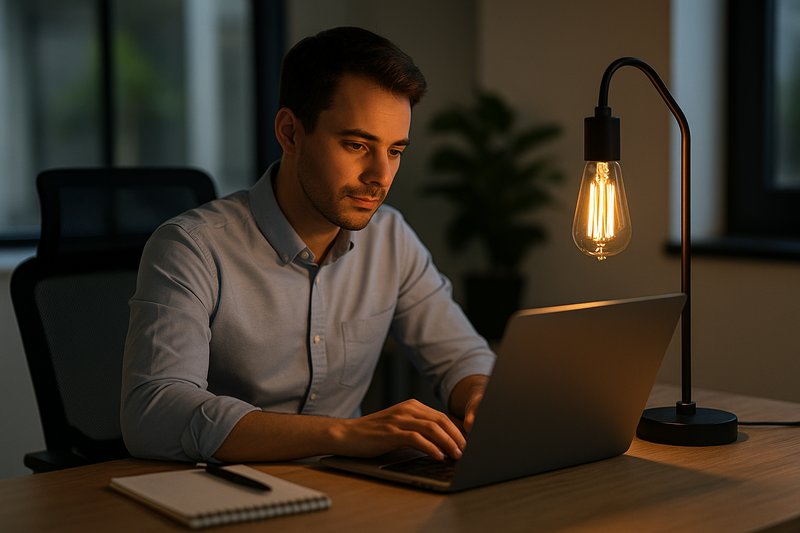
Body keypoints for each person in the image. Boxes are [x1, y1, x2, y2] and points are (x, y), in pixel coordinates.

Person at [121, 26, 495, 464]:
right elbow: (152, 412)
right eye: (357, 144)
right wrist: (342, 435)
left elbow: (462, 355)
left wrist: (477, 396)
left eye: (395, 150)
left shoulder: (390, 238)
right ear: (291, 133)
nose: (381, 175)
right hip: (225, 492)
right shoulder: (191, 248)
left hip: (350, 492)